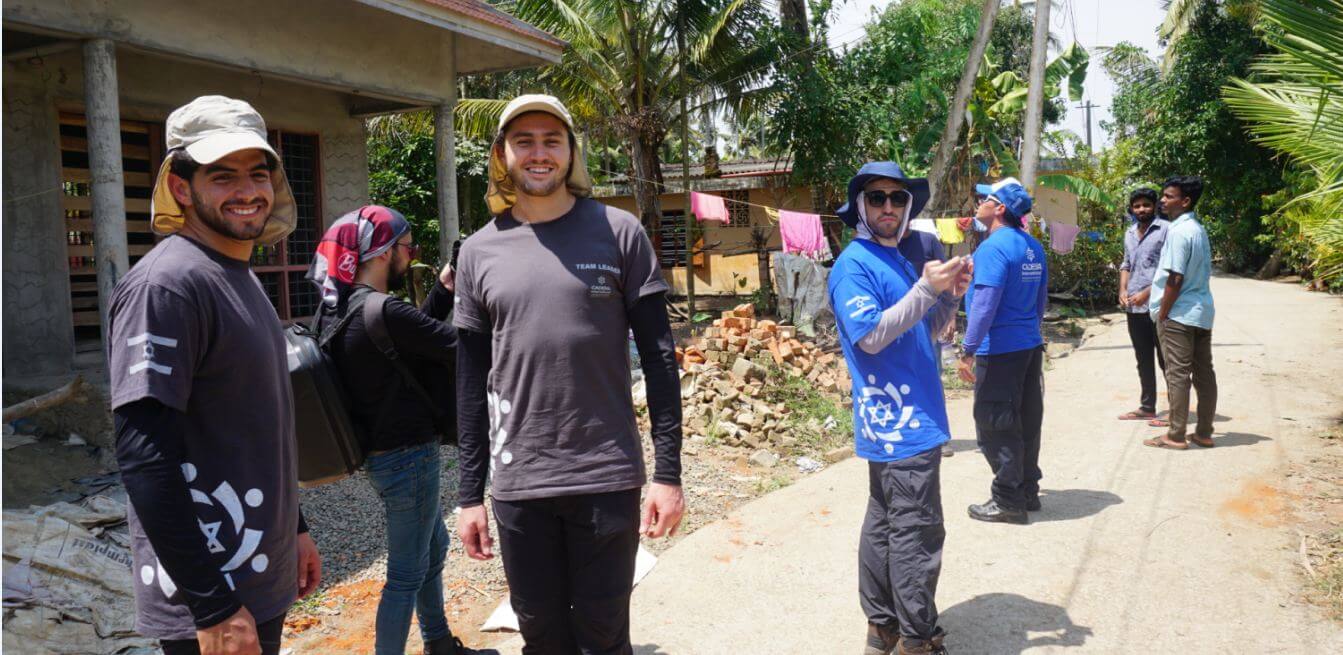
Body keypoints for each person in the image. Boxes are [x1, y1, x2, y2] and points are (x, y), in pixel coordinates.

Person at [452, 94, 685, 654]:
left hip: (606, 473)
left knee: (605, 636)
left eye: (551, 140)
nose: (538, 154)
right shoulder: (478, 251)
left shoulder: (619, 232)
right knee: (542, 635)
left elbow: (658, 357)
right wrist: (468, 495)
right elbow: (468, 381)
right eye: (523, 141)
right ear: (502, 155)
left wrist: (669, 473)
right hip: (519, 480)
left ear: (570, 152)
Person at [109, 95, 320, 655]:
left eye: (258, 173)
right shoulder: (168, 285)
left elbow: (256, 425)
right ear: (181, 187)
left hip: (257, 568)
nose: (247, 191)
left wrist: (294, 526)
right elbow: (143, 456)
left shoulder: (238, 275)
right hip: (215, 589)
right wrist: (212, 604)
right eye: (222, 175)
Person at [307, 206, 481, 655]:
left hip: (378, 456)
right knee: (405, 572)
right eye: (408, 248)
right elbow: (459, 349)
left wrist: (445, 289)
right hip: (409, 456)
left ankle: (439, 641)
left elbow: (405, 334)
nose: (411, 256)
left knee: (433, 547)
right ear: (383, 252)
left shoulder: (338, 309)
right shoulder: (385, 311)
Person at [829, 162, 970, 655]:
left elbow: (925, 330)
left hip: (905, 422)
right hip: (901, 424)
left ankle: (884, 626)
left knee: (888, 523)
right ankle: (917, 639)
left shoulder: (898, 261)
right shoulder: (854, 265)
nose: (888, 206)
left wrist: (948, 297)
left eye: (897, 198)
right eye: (876, 198)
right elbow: (869, 337)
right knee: (917, 532)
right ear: (861, 208)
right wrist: (928, 288)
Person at [957, 177, 1048, 526]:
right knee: (1027, 418)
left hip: (999, 350)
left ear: (1000, 209)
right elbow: (1040, 301)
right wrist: (1029, 331)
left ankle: (1008, 499)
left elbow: (985, 303)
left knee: (994, 421)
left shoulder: (993, 248)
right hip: (1028, 344)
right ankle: (1027, 490)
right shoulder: (1032, 246)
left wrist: (968, 349)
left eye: (985, 199)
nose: (977, 204)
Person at [1144, 176, 1218, 450]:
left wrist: (1163, 313)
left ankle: (1175, 435)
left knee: (1177, 374)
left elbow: (1175, 278)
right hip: (1201, 312)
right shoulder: (1198, 229)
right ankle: (1204, 432)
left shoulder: (1177, 232)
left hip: (1179, 313)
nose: (1162, 200)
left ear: (1185, 201)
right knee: (1204, 373)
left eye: (1168, 196)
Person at [898, 215, 957, 459]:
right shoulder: (885, 247)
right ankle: (911, 434)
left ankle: (940, 436)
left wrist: (950, 316)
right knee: (901, 376)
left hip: (928, 318)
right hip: (897, 319)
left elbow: (947, 278)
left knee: (932, 376)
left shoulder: (928, 241)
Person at [1116, 188, 1170, 421]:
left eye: (1146, 205)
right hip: (1133, 307)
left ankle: (1176, 410)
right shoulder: (1129, 233)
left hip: (1158, 306)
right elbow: (1126, 264)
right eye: (1137, 206)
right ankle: (1147, 407)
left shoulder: (1166, 230)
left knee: (1166, 359)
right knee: (1143, 358)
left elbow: (1169, 269)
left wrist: (1147, 294)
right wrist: (1123, 290)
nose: (1141, 210)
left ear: (1155, 206)